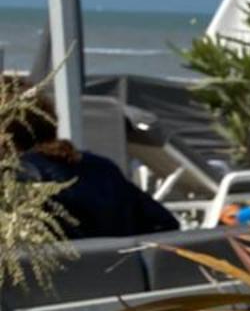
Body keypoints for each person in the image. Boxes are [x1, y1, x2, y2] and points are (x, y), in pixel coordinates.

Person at [13, 92, 179, 238]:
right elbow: (164, 225)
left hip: (64, 272)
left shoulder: (17, 179)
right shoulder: (101, 168)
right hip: (119, 269)